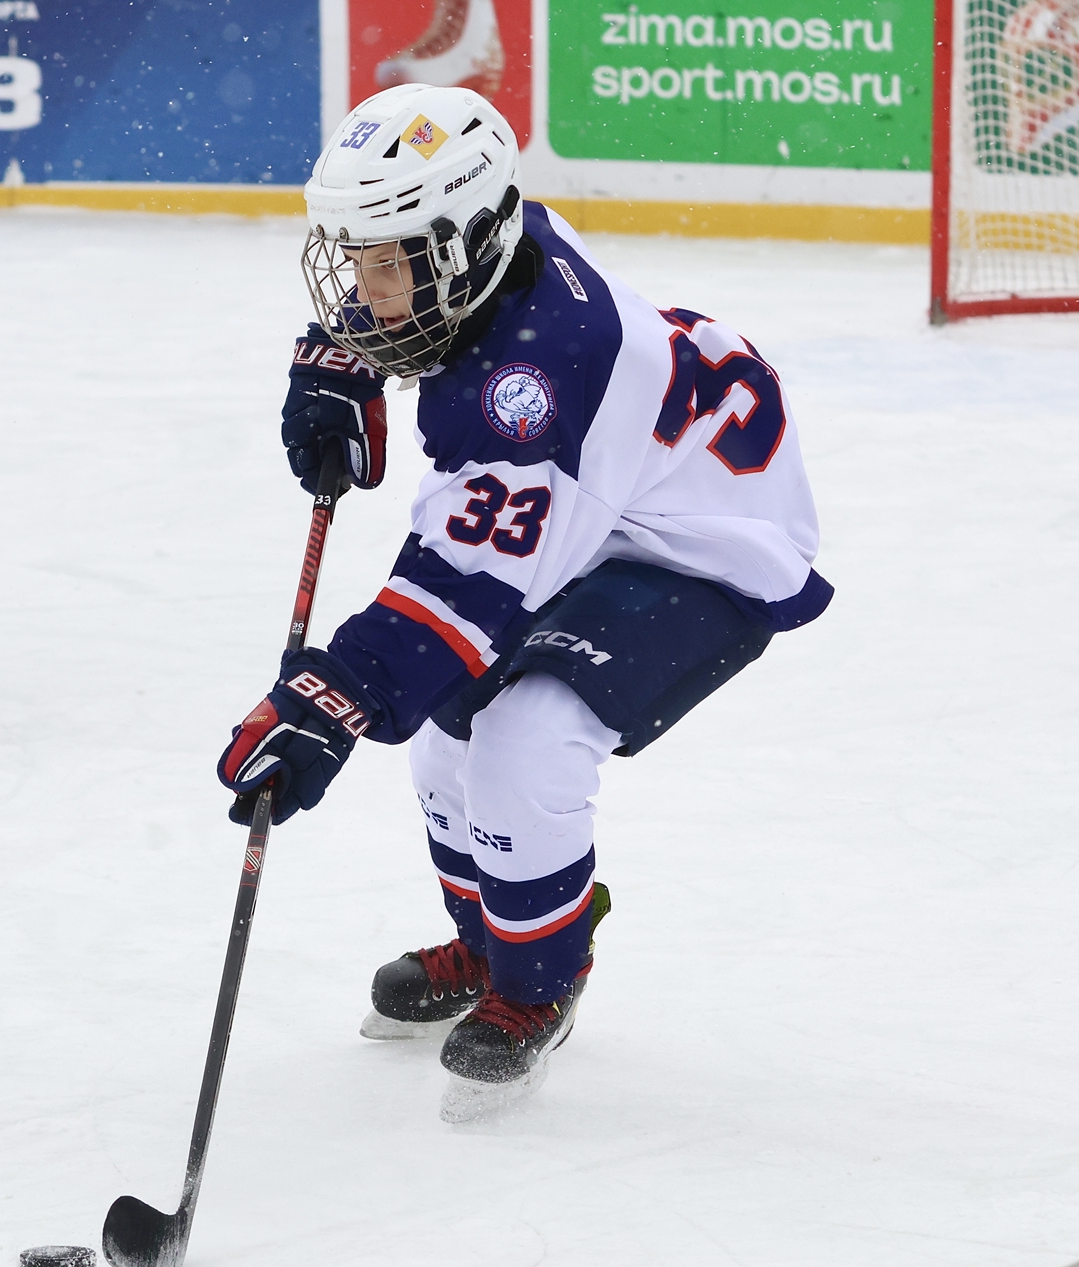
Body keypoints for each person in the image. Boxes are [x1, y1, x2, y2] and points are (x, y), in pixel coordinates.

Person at [216, 84, 832, 1121]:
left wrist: (334, 694)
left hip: (705, 544)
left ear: (461, 241)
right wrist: (346, 358)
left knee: (526, 738)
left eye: (382, 268)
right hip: (606, 493)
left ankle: (541, 977)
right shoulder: (493, 252)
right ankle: (493, 937)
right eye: (355, 260)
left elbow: (462, 589)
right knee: (447, 737)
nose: (360, 286)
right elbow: (413, 296)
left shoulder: (541, 380)